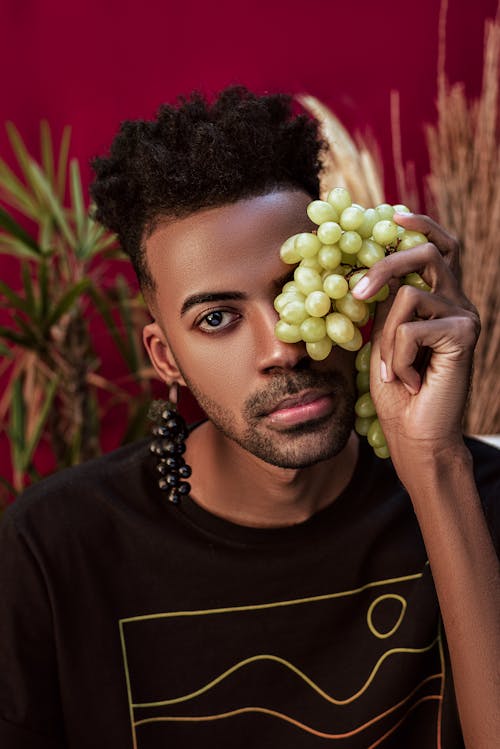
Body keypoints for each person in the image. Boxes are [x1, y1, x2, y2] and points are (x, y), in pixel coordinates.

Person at [0, 87, 498, 749]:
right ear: (166, 357)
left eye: (295, 290)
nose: (282, 347)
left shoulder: (475, 493)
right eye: (216, 318)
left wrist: (437, 467)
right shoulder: (51, 552)